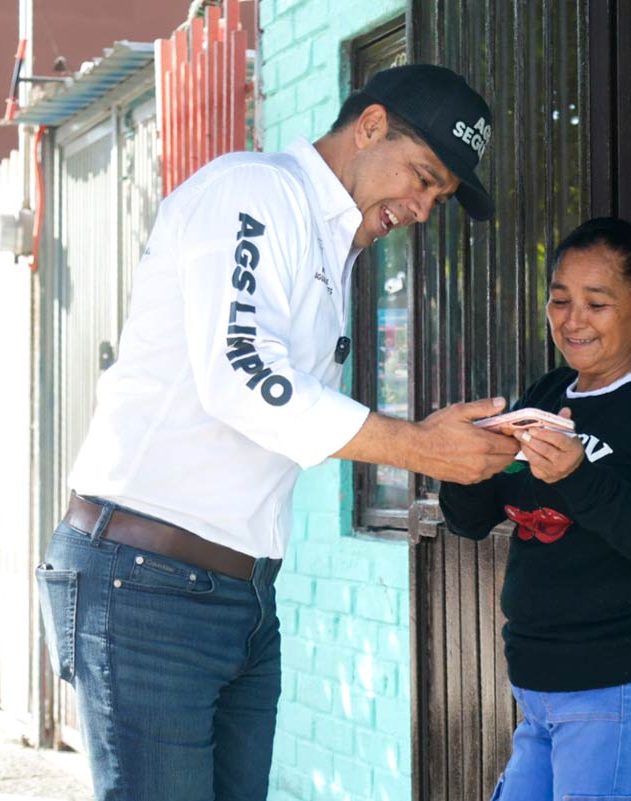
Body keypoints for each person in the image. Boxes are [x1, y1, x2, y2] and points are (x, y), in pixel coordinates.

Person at [34, 64, 518, 801]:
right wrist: (419, 446)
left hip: (241, 595)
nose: (422, 207)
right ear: (371, 125)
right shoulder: (254, 193)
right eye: (423, 177)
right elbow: (241, 374)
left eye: (439, 197)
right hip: (144, 580)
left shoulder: (336, 241)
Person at [439, 217, 631, 800]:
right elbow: (469, 521)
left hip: (621, 684)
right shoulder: (546, 396)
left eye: (596, 303)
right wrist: (461, 458)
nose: (573, 320)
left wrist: (578, 476)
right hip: (540, 689)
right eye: (560, 300)